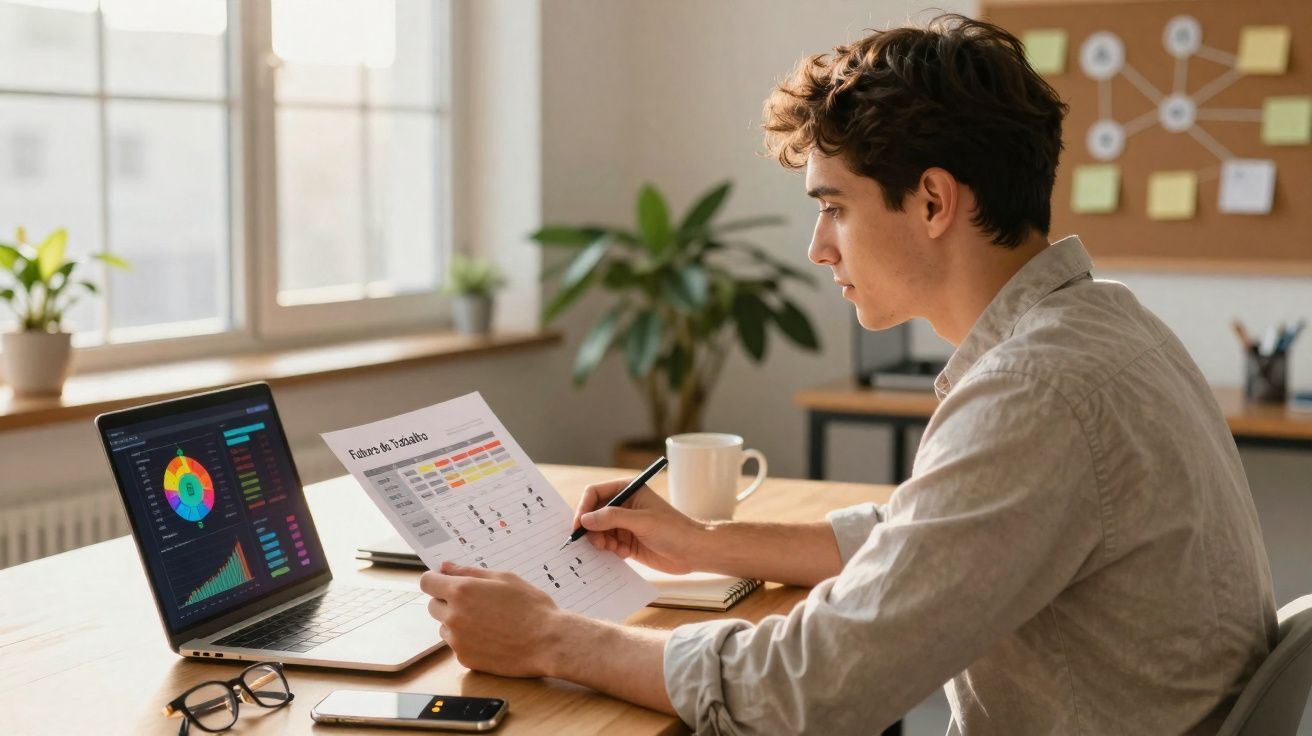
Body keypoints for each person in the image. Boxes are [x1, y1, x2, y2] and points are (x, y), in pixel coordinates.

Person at [419, 14, 1277, 734]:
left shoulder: (1038, 391)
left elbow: (810, 687)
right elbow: (934, 539)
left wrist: (549, 640)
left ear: (935, 202)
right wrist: (706, 545)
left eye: (834, 206)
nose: (818, 246)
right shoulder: (1101, 325)